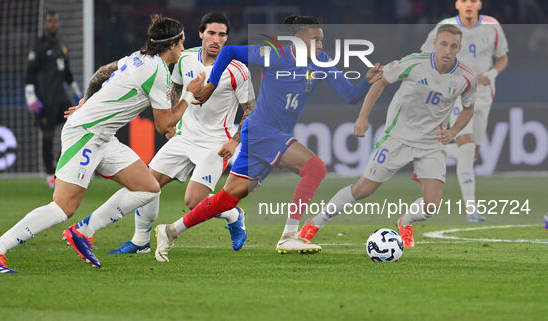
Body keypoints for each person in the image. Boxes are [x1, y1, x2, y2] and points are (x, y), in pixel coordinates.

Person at [0, 15, 200, 273]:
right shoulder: (158, 72)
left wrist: (87, 101)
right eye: (182, 42)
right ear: (171, 44)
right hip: (86, 134)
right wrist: (190, 93)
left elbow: (103, 71)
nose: (184, 47)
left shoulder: (137, 57)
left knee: (148, 188)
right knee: (63, 207)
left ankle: (83, 232)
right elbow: (164, 125)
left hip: (103, 136)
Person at [153, 15, 383, 262]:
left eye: (321, 40)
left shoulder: (321, 61)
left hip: (265, 134)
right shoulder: (275, 55)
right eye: (316, 39)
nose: (320, 46)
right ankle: (289, 236)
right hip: (263, 130)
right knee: (315, 169)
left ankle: (170, 231)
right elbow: (229, 50)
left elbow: (349, 95)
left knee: (227, 198)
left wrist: (366, 82)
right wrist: (210, 84)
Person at [298, 24, 477, 248]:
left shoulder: (467, 77)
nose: (447, 51)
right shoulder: (414, 63)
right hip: (398, 138)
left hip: (431, 143)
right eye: (443, 44)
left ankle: (405, 222)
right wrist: (362, 117)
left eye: (453, 46)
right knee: (363, 189)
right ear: (435, 44)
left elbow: (469, 108)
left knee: (431, 207)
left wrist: (453, 131)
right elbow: (380, 81)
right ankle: (315, 222)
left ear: (459, 48)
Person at [97, 13, 255, 254]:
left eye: (222, 34)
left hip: (215, 143)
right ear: (201, 34)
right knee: (146, 185)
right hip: (183, 137)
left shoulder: (238, 70)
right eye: (211, 33)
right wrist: (172, 122)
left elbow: (250, 110)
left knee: (193, 201)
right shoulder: (185, 58)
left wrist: (235, 142)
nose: (216, 39)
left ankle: (234, 215)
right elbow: (177, 87)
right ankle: (141, 242)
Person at [418, 0, 508, 222]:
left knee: (471, 152)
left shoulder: (492, 26)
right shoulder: (444, 28)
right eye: (464, 1)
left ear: (479, 3)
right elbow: (426, 55)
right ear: (457, 4)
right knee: (467, 146)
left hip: (484, 95)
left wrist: (491, 74)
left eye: (472, 1)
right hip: (456, 93)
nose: (468, 5)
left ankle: (431, 151)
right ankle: (472, 210)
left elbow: (503, 58)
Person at [25, 11, 83, 188]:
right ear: (45, 24)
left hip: (61, 98)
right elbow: (30, 74)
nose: (52, 25)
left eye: (55, 22)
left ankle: (60, 166)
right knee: (47, 134)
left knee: (74, 125)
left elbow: (68, 74)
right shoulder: (39, 46)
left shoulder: (62, 46)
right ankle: (50, 173)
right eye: (49, 22)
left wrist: (78, 94)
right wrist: (30, 96)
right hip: (45, 98)